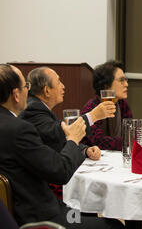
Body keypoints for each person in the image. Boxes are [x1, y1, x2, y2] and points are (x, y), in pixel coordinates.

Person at [0, 64, 124, 229]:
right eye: (25, 86)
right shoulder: (19, 128)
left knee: (88, 212)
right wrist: (73, 140)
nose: (27, 92)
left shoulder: (12, 125)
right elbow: (60, 171)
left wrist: (82, 149)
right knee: (112, 226)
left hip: (14, 214)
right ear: (16, 94)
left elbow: (49, 146)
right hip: (42, 218)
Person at [19, 66, 116, 199]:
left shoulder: (41, 107)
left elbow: (56, 140)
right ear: (47, 90)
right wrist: (92, 116)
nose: (63, 86)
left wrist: (85, 150)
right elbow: (57, 133)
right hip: (44, 192)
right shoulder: (33, 109)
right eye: (59, 82)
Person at [81, 60, 133, 151]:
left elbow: (131, 131)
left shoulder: (122, 104)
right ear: (106, 85)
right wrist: (128, 141)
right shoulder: (91, 108)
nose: (126, 84)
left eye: (126, 80)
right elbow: (98, 142)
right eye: (121, 80)